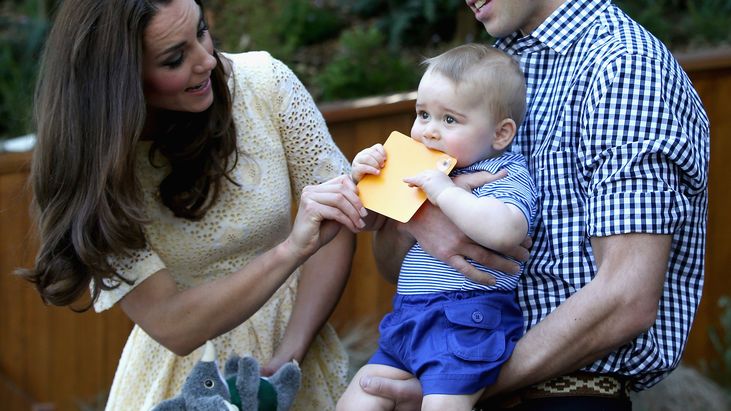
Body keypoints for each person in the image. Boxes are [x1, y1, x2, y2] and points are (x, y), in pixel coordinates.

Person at [359, 0, 710, 410]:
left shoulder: (623, 66)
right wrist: (413, 218)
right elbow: (392, 267)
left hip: (562, 395)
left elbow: (626, 297)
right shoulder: (488, 68)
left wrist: (460, 384)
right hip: (444, 365)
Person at [18, 0, 368, 409]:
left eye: (201, 31)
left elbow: (338, 218)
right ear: (120, 80)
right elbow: (171, 323)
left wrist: (291, 352)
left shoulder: (266, 84)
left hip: (294, 349)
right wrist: (292, 249)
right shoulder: (97, 170)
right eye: (174, 59)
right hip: (185, 378)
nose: (207, 61)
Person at [338, 44, 537, 411]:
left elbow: (506, 231)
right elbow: (366, 221)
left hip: (466, 319)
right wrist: (360, 178)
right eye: (423, 114)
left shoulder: (502, 173)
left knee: (443, 406)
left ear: (500, 134)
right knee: (358, 399)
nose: (429, 131)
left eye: (450, 120)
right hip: (407, 319)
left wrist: (444, 193)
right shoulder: (417, 165)